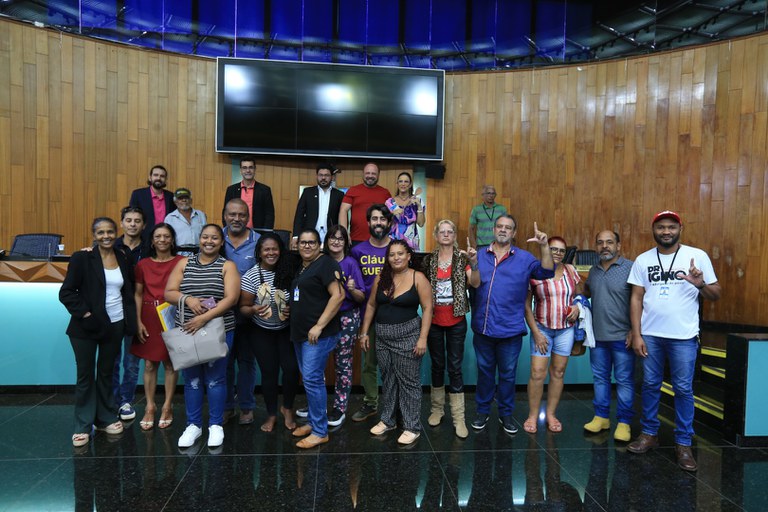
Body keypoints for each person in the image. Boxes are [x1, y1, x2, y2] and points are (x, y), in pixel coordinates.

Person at [627, 211, 721, 472]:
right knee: (649, 385)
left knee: (682, 389)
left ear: (680, 228)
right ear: (654, 230)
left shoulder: (697, 256)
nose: (666, 231)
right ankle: (649, 434)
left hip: (684, 337)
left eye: (671, 227)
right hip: (651, 335)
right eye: (661, 227)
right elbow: (636, 298)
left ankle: (683, 443)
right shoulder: (643, 260)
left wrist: (700, 284)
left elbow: (716, 294)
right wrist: (637, 334)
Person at [468, 216, 554, 434]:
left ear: (514, 233)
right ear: (494, 230)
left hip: (511, 330)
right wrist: (473, 263)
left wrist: (544, 246)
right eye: (500, 226)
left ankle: (506, 415)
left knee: (507, 375)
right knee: (485, 373)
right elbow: (473, 283)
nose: (503, 230)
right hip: (484, 328)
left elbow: (547, 271)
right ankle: (482, 411)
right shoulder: (479, 255)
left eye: (508, 228)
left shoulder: (524, 258)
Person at [59, 217, 137, 447]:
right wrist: (86, 314)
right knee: (85, 376)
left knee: (106, 373)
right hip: (86, 327)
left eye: (110, 232)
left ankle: (106, 418)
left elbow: (128, 291)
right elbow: (67, 292)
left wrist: (130, 322)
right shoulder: (82, 257)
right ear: (94, 235)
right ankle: (83, 424)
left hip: (115, 324)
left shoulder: (123, 257)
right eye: (101, 232)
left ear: (116, 233)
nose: (106, 236)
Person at [165, 224, 240, 448]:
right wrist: (188, 299)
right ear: (200, 240)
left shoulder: (227, 266)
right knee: (193, 380)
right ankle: (193, 425)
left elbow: (231, 299)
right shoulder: (184, 263)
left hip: (219, 330)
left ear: (221, 242)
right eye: (205, 237)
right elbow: (169, 292)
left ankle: (215, 425)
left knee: (216, 379)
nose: (209, 241)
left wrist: (203, 318)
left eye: (214, 238)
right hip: (187, 331)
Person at [361, 240, 433, 445]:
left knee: (409, 383)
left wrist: (422, 338)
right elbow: (371, 305)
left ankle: (412, 426)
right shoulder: (381, 278)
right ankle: (388, 420)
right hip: (382, 338)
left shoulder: (418, 277)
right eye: (392, 254)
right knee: (389, 379)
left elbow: (428, 308)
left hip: (408, 337)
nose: (396, 258)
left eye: (400, 253)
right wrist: (364, 332)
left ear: (409, 256)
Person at [239, 233, 300, 431]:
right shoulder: (251, 276)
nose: (271, 253)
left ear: (281, 251)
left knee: (291, 369)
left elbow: (300, 297)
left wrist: (292, 309)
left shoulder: (290, 271)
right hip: (261, 331)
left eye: (275, 249)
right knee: (269, 373)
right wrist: (253, 309)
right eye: (266, 249)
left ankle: (287, 408)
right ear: (259, 252)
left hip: (285, 330)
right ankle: (271, 414)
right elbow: (243, 307)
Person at [290, 229, 345, 449]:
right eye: (303, 242)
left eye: (311, 242)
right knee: (310, 379)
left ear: (319, 245)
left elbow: (338, 295)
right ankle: (314, 422)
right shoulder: (303, 266)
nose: (306, 246)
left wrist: (319, 326)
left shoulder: (326, 264)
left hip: (318, 335)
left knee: (312, 379)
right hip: (301, 333)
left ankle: (320, 431)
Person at [523, 236, 583, 434]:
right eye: (553, 249)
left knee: (558, 372)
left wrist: (578, 306)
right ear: (546, 249)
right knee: (537, 373)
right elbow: (526, 306)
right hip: (542, 329)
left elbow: (580, 295)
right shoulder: (535, 272)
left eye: (561, 250)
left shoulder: (570, 271)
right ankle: (533, 415)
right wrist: (536, 333)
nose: (557, 253)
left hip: (566, 330)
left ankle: (551, 414)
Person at [582, 230, 635, 442]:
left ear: (618, 246)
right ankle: (601, 417)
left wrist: (634, 330)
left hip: (623, 337)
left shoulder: (631, 268)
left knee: (624, 381)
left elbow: (641, 300)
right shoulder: (593, 271)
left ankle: (624, 422)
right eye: (600, 242)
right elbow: (588, 292)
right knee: (600, 379)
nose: (605, 246)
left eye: (609, 242)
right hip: (598, 338)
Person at [132, 223, 184, 431]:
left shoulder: (181, 262)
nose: (162, 240)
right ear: (152, 241)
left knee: (171, 363)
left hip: (172, 315)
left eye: (166, 236)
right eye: (158, 236)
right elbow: (137, 293)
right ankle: (150, 406)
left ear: (172, 240)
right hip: (148, 316)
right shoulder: (142, 264)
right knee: (149, 365)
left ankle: (167, 406)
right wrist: (137, 321)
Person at [421, 219, 471, 438]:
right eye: (442, 231)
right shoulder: (428, 260)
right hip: (433, 320)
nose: (446, 234)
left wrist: (474, 264)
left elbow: (475, 282)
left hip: (456, 320)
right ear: (436, 235)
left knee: (455, 367)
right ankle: (437, 410)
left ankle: (459, 418)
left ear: (454, 235)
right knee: (437, 365)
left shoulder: (462, 258)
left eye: (450, 231)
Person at [349, 204, 393, 422]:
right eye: (374, 218)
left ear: (389, 223)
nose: (378, 223)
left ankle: (395, 404)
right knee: (369, 363)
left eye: (382, 219)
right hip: (368, 314)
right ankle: (370, 402)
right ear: (368, 222)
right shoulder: (358, 251)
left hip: (394, 316)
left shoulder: (397, 248)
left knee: (394, 364)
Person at [221, 198, 260, 423]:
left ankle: (246, 406)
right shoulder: (216, 238)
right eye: (232, 214)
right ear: (225, 216)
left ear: (248, 217)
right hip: (220, 311)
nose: (237, 219)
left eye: (242, 215)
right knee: (224, 361)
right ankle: (227, 407)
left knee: (246, 360)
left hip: (248, 311)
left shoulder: (258, 241)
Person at [324, 225, 366, 426]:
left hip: (346, 317)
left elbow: (361, 297)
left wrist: (352, 289)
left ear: (346, 242)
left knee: (343, 363)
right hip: (323, 318)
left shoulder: (351, 263)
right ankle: (316, 404)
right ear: (327, 241)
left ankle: (339, 408)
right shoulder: (321, 262)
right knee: (316, 363)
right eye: (333, 238)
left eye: (340, 238)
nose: (336, 241)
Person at [111, 206, 148, 421]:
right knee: (111, 360)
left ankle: (126, 401)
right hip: (114, 308)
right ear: (122, 223)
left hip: (138, 309)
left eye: (137, 220)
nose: (132, 224)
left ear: (143, 225)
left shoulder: (149, 248)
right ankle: (111, 401)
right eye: (128, 220)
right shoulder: (110, 245)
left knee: (132, 362)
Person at [292, 163, 345, 248]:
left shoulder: (339, 195)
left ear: (332, 177)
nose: (323, 178)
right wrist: (296, 236)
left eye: (326, 175)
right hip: (310, 235)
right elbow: (299, 215)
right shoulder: (308, 192)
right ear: (316, 176)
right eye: (321, 175)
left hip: (331, 236)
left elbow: (342, 216)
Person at [338, 162, 391, 244]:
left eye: (373, 173)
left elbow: (391, 215)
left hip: (379, 239)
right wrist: (344, 233)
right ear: (363, 174)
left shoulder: (385, 193)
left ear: (378, 175)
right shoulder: (353, 190)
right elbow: (343, 210)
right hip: (356, 239)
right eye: (367, 173)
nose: (370, 176)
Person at [223, 157, 275, 229]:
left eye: (251, 167)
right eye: (244, 168)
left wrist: (266, 233)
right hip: (235, 231)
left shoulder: (265, 190)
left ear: (255, 169)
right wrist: (227, 231)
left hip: (258, 232)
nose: (248, 170)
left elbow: (269, 214)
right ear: (241, 170)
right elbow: (226, 212)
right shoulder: (231, 190)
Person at [129, 165, 175, 235]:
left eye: (162, 176)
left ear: (165, 179)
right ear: (150, 177)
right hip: (144, 236)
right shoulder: (138, 194)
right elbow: (132, 215)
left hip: (165, 236)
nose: (158, 178)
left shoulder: (171, 196)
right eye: (156, 175)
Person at [385, 171, 425, 250]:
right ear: (397, 184)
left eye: (406, 181)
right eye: (400, 181)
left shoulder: (418, 201)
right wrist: (392, 214)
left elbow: (421, 224)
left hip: (411, 242)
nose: (403, 184)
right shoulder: (389, 203)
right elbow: (385, 224)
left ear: (410, 185)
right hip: (393, 241)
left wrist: (419, 206)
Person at [164, 187, 207, 254]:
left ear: (191, 200)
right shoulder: (170, 218)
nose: (184, 200)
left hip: (200, 253)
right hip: (179, 254)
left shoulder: (201, 215)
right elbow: (167, 238)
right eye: (180, 198)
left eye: (186, 198)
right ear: (175, 201)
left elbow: (206, 233)